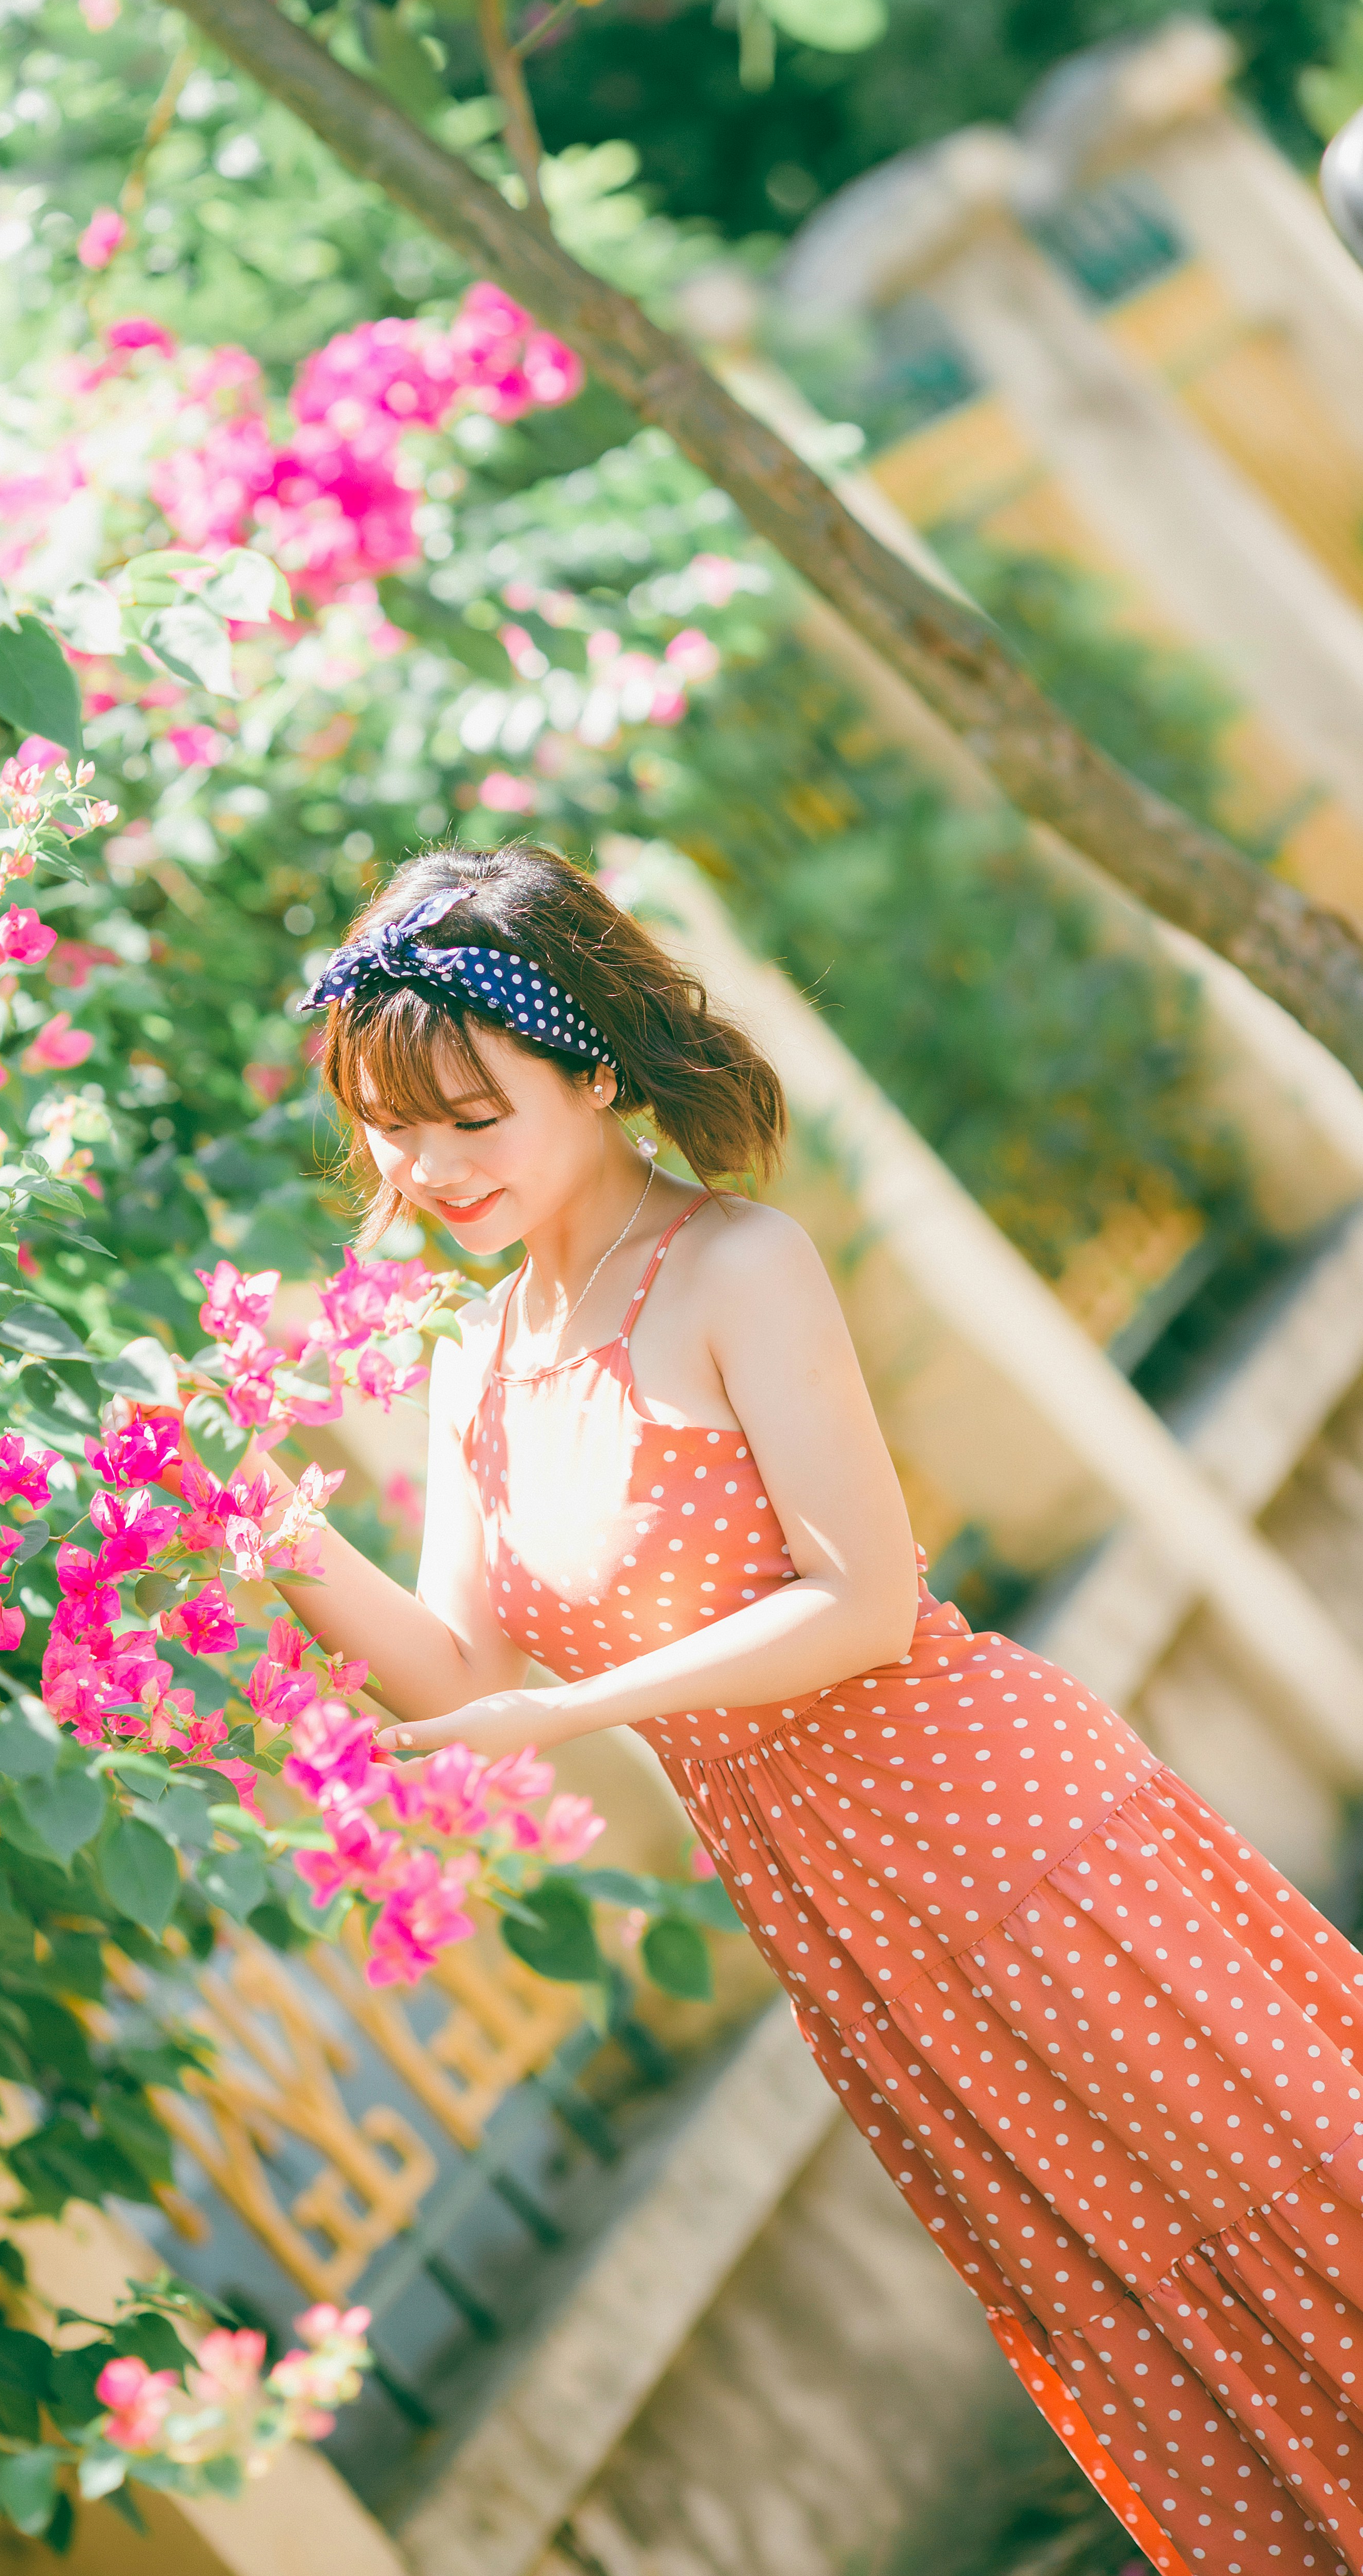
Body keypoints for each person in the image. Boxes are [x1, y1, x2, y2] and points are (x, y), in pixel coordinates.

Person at [263, 838, 1363, 2576]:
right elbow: (465, 1673)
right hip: (849, 1917)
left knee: (1282, 2188)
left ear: (596, 1070)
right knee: (1130, 2288)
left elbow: (858, 1603)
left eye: (472, 1115)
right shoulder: (476, 1365)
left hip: (1000, 1831)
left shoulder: (733, 1267)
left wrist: (576, 1719)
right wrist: (260, 1517)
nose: (424, 1165)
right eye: (394, 1123)